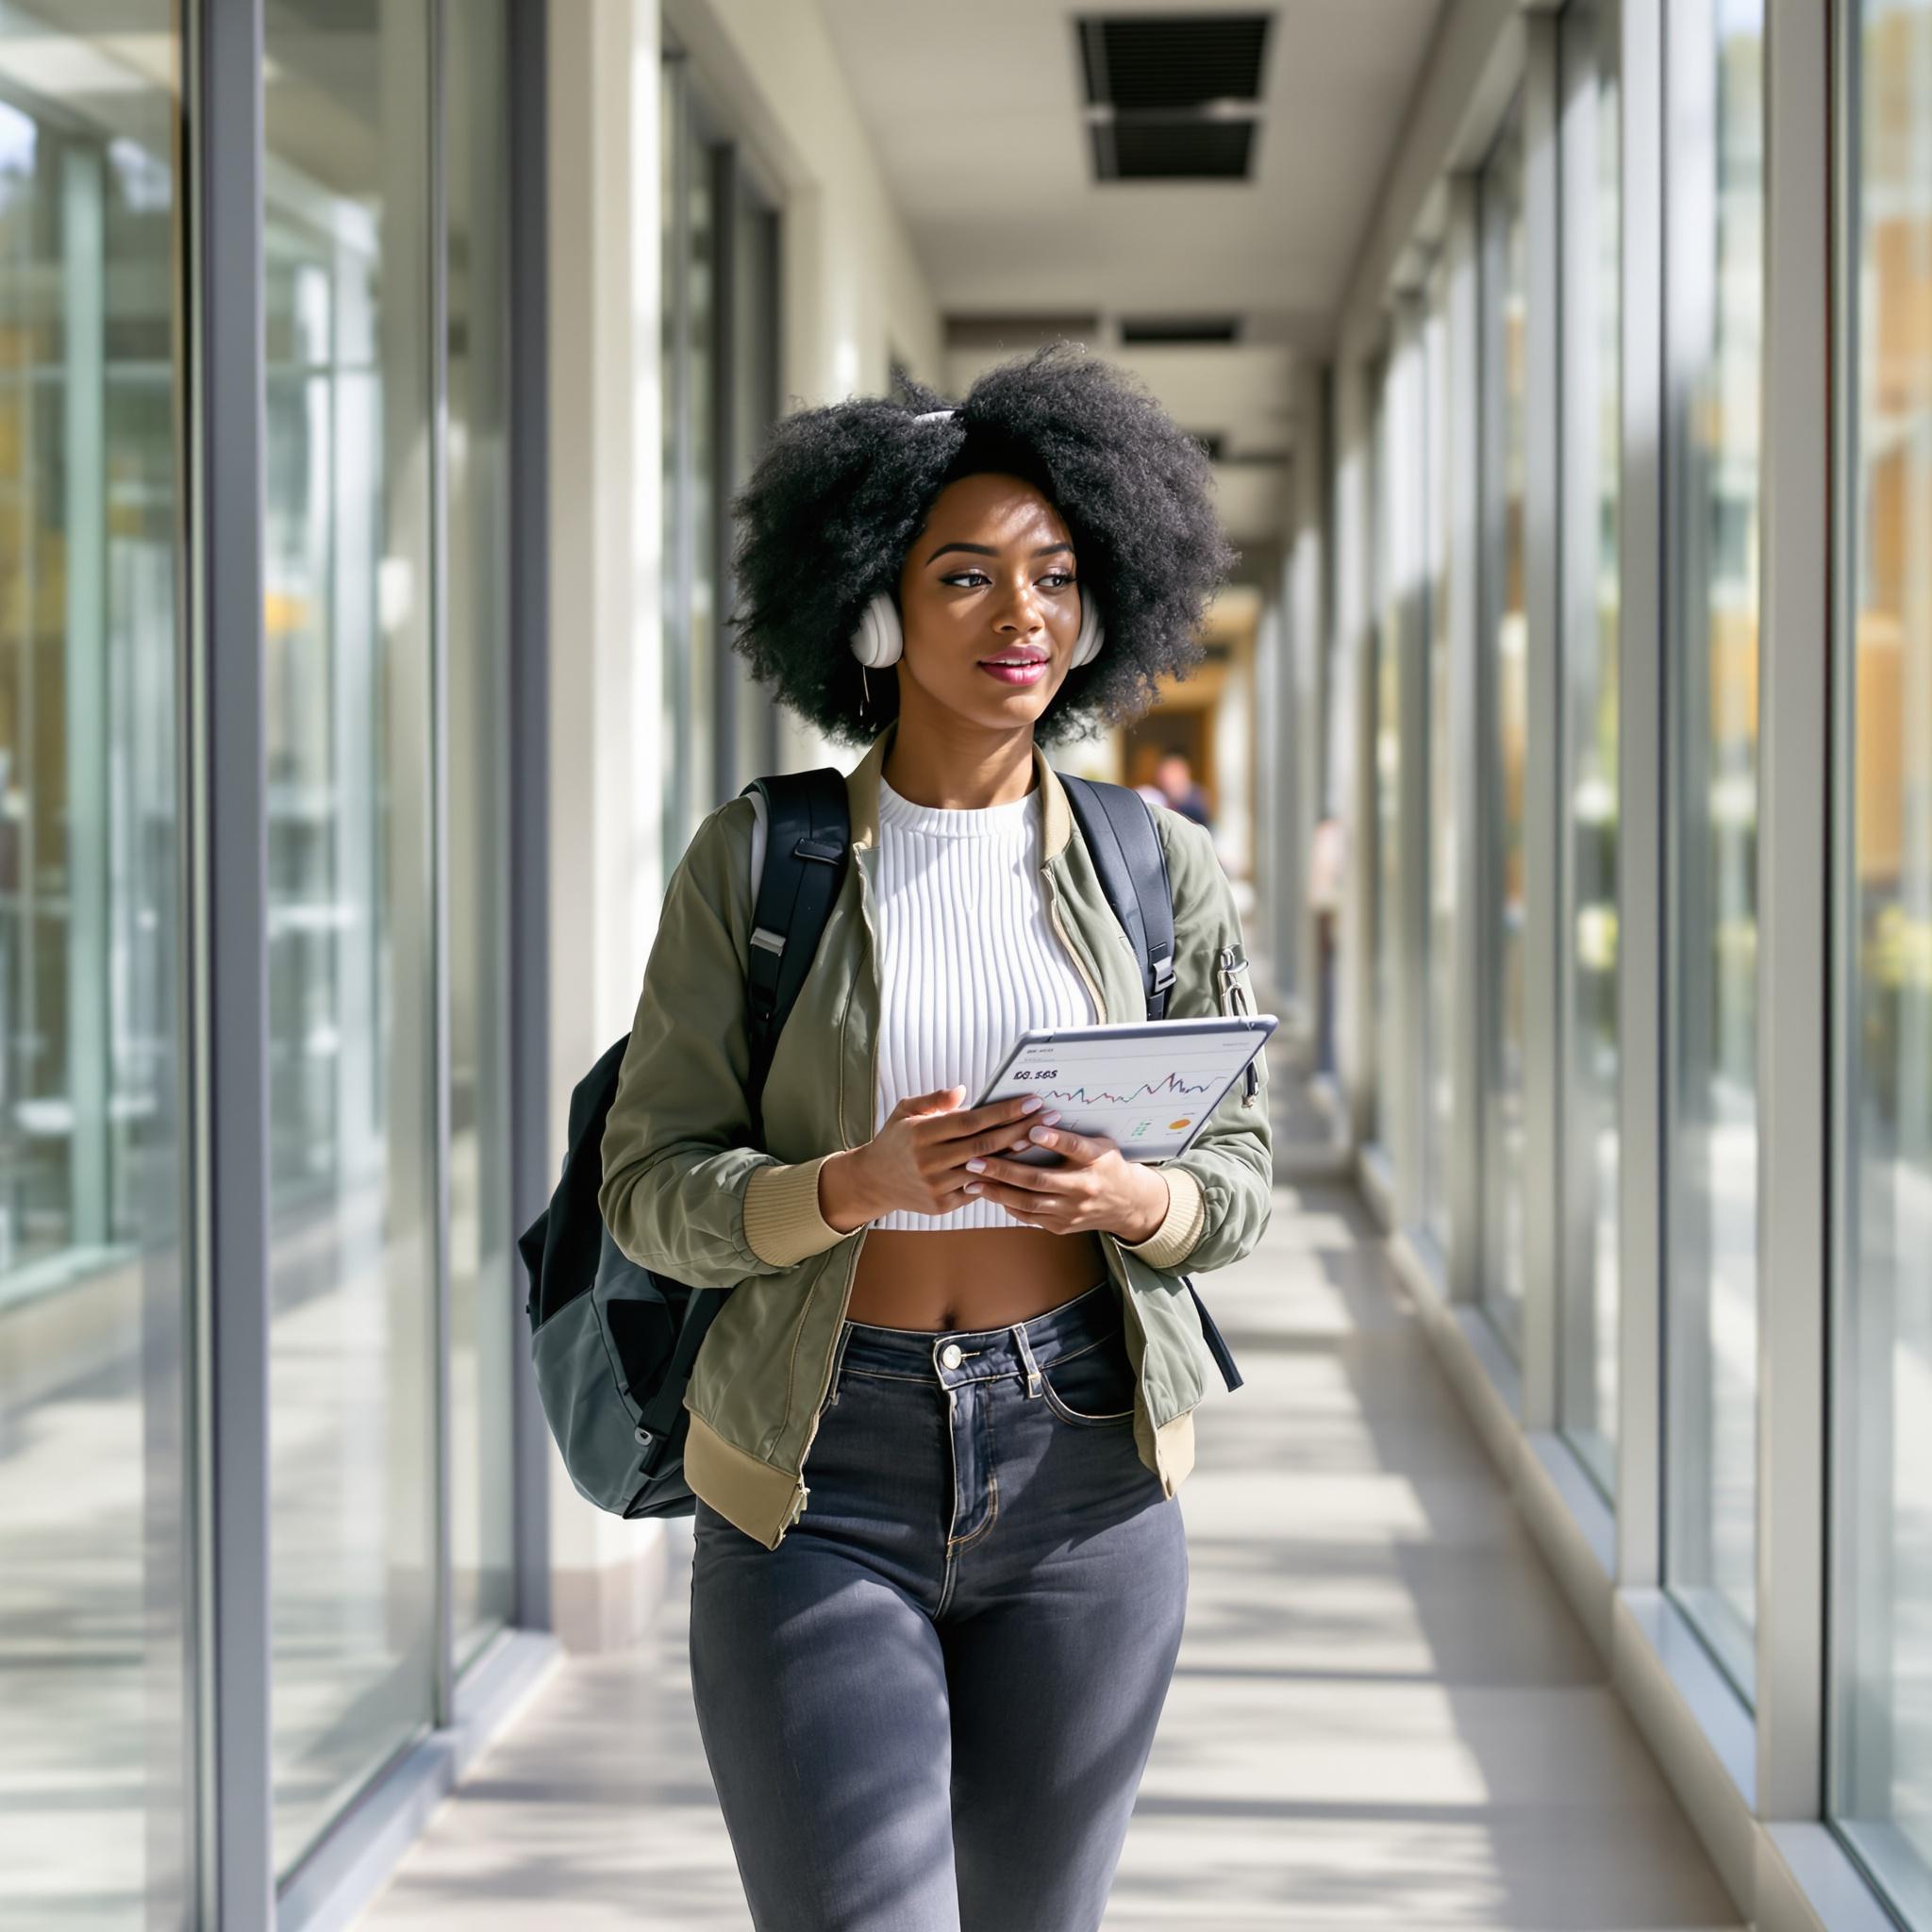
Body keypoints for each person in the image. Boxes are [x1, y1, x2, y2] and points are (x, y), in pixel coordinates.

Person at [598, 344, 1274, 1932]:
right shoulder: (762, 859)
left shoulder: (1154, 867)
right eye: (963, 576)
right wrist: (848, 1187)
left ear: (1100, 611)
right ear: (881, 612)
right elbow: (647, 1189)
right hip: (815, 1474)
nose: (1019, 614)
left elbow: (1235, 1183)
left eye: (1053, 576)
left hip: (1089, 1469)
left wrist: (1138, 1194)